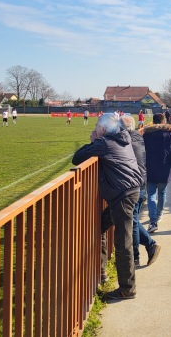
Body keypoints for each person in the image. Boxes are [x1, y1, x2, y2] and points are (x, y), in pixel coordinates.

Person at [72, 114, 141, 301]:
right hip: (128, 191)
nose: (95, 129)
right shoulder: (122, 137)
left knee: (122, 242)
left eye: (97, 127)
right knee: (101, 225)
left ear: (103, 129)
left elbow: (77, 158)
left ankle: (128, 288)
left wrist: (94, 140)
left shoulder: (104, 142)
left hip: (123, 195)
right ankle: (101, 271)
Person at [120, 115, 161, 267]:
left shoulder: (126, 141)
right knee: (134, 219)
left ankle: (136, 256)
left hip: (134, 185)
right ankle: (150, 245)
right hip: (140, 182)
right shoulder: (138, 138)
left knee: (133, 221)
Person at [142, 113, 171, 233]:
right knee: (162, 192)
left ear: (153, 122)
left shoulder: (146, 135)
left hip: (150, 168)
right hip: (165, 168)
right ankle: (159, 214)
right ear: (164, 122)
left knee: (151, 194)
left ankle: (153, 220)